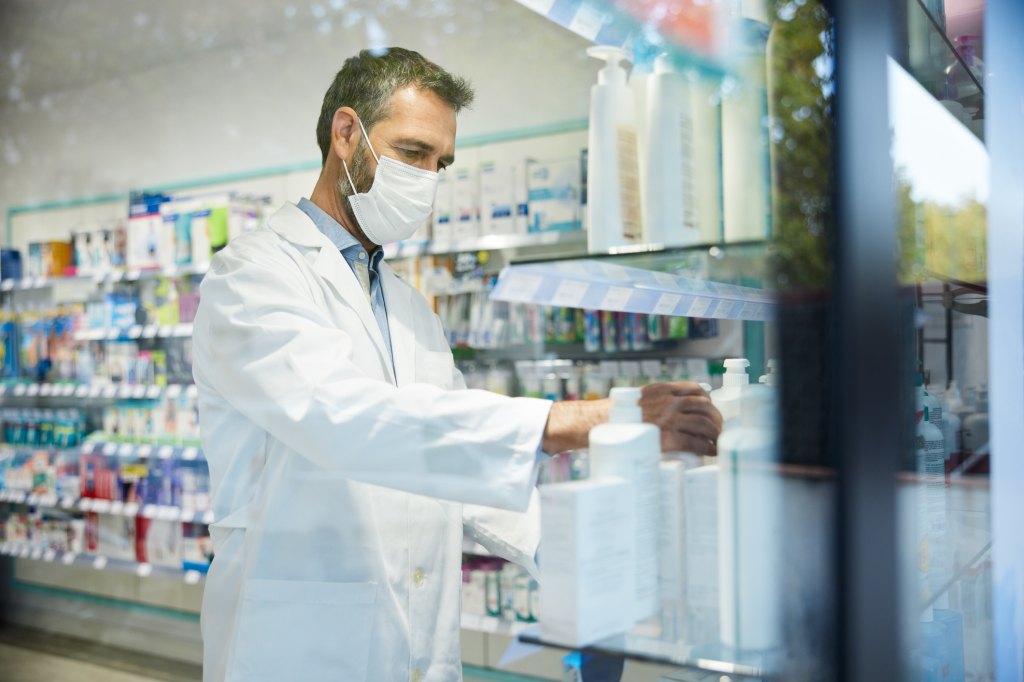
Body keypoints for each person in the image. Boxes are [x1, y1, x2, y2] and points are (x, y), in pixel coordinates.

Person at [193, 47, 722, 682]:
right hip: (299, 646)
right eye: (412, 152)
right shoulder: (251, 276)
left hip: (416, 646)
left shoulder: (411, 308)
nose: (427, 179)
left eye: (440, 163)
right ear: (345, 134)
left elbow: (451, 456)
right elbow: (342, 417)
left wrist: (584, 557)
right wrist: (581, 418)